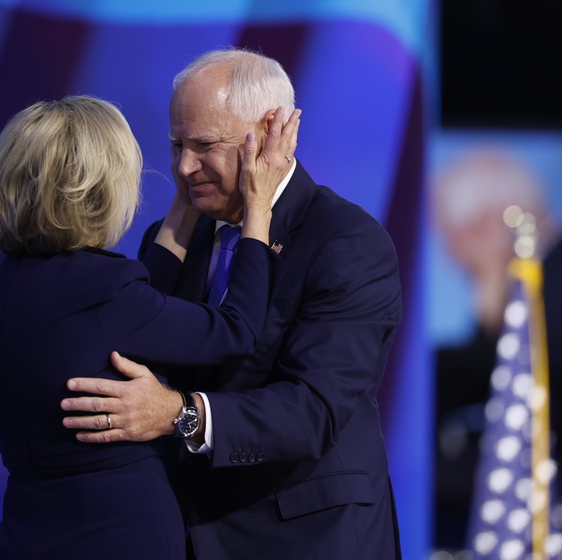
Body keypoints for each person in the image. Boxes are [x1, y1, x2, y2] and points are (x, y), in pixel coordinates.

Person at [56, 48, 404, 559]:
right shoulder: (173, 236)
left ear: (267, 132)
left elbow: (313, 410)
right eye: (176, 144)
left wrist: (180, 414)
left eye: (202, 145)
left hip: (307, 540)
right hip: (188, 536)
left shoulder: (345, 240)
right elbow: (127, 354)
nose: (183, 166)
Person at [0, 94, 299, 559]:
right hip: (120, 533)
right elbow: (235, 330)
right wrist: (258, 209)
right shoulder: (104, 289)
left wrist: (184, 207)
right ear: (100, 188)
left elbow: (134, 313)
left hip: (26, 535)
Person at [432, 147, 562, 551]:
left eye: (453, 237)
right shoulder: (528, 288)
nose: (452, 258)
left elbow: (539, 380)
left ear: (488, 223)